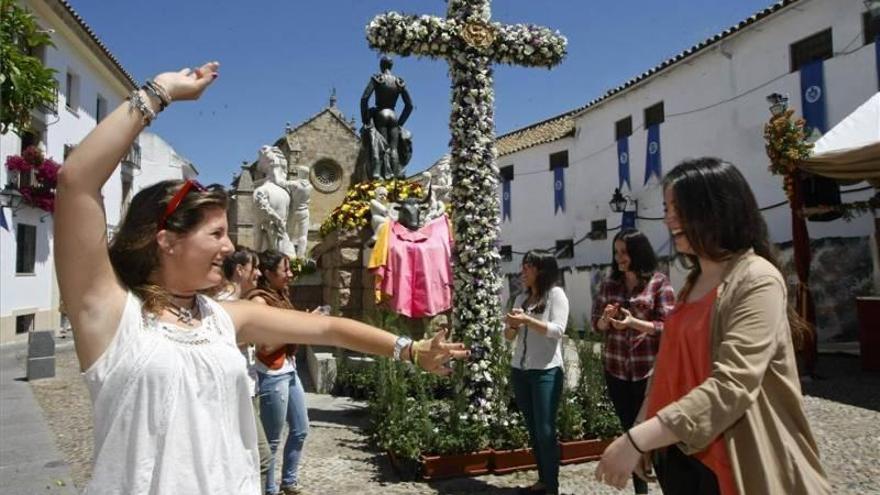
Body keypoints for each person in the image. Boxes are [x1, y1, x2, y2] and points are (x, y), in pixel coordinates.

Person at [53, 62, 468, 494]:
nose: (231, 247)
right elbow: (76, 181)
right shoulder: (113, 317)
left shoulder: (222, 318)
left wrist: (411, 349)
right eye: (216, 234)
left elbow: (329, 327)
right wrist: (160, 93)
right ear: (166, 240)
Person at [595, 158, 830, 494]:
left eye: (680, 207)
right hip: (682, 459)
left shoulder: (756, 279)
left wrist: (637, 439)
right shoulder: (693, 282)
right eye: (667, 207)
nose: (668, 218)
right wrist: (642, 431)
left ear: (717, 209)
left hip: (736, 463)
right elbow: (669, 368)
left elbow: (733, 383)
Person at [591, 228, 674, 494]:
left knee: (653, 438)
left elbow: (669, 327)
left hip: (648, 372)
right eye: (616, 253)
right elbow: (596, 325)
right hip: (616, 371)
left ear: (638, 253)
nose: (619, 258)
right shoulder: (608, 284)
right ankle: (642, 491)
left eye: (624, 253)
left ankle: (669, 483)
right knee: (630, 433)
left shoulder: (659, 282)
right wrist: (605, 321)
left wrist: (633, 322)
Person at [504, 250, 569, 495]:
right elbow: (509, 336)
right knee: (532, 428)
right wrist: (512, 324)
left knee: (545, 429)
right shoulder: (521, 299)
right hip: (520, 370)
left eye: (528, 267)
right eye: (523, 266)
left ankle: (551, 485)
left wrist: (528, 321)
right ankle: (542, 479)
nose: (523, 271)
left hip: (546, 371)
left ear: (541, 270)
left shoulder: (556, 295)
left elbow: (557, 330)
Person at [245, 250, 309, 495]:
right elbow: (265, 346)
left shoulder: (279, 295)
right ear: (269, 274)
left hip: (289, 369)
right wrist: (297, 329)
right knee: (271, 440)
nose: (291, 274)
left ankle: (289, 483)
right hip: (272, 374)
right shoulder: (259, 301)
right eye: (286, 270)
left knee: (301, 429)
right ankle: (269, 490)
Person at [219, 246, 271, 489]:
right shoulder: (223, 304)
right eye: (255, 267)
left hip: (250, 386)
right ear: (240, 270)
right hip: (236, 392)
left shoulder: (241, 302)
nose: (259, 273)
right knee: (262, 459)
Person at [359, 55, 413, 180]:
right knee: (393, 148)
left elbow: (364, 99)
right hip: (393, 115)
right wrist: (400, 123)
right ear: (391, 66)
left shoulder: (378, 79)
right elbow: (409, 105)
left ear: (381, 66)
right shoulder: (399, 82)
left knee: (381, 146)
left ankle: (382, 176)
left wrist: (365, 118)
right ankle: (394, 177)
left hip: (380, 114)